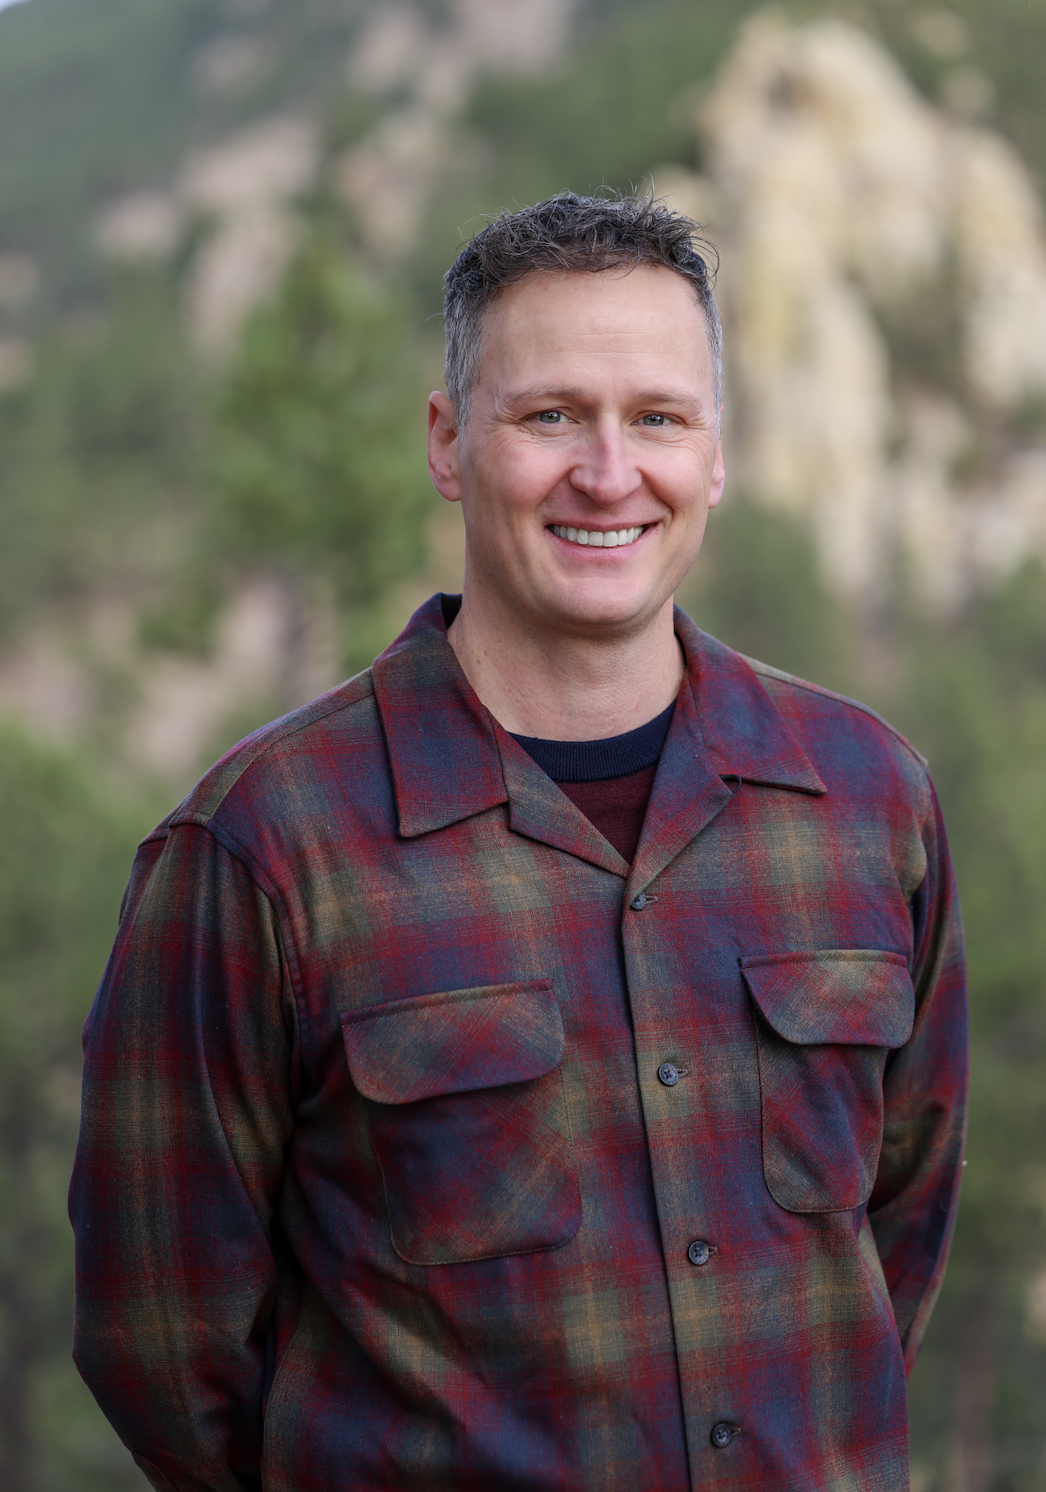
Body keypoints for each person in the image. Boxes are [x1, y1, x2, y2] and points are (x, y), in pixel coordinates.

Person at [70, 193, 967, 1492]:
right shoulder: (262, 845)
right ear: (447, 442)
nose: (608, 473)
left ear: (714, 453)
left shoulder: (868, 798)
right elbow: (162, 1342)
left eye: (656, 418)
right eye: (549, 415)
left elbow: (897, 1240)